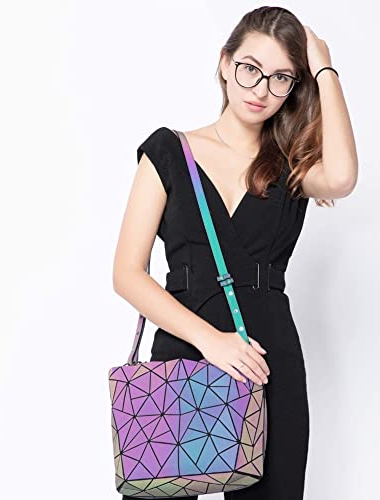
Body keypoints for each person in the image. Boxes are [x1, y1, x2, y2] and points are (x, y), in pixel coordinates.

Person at [113, 6, 358, 500]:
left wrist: (324, 69)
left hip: (267, 362)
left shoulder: (289, 166)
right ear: (225, 63)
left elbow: (341, 177)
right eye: (250, 68)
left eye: (280, 77)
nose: (260, 88)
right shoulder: (169, 151)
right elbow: (127, 274)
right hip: (185, 355)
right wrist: (213, 342)